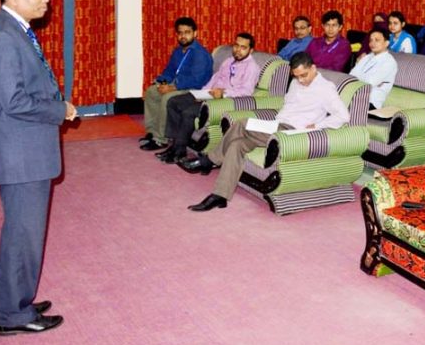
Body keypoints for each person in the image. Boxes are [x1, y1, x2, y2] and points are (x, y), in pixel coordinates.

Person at [0, 0, 78, 335]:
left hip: (25, 148)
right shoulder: (4, 36)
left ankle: (12, 302)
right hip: (21, 153)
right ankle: (13, 316)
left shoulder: (13, 30)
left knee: (22, 233)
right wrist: (60, 110)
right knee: (23, 234)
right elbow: (15, 100)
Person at [180, 52, 350, 211]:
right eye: (296, 76)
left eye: (304, 75)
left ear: (313, 68)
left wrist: (318, 125)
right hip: (276, 126)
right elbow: (287, 107)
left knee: (241, 124)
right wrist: (273, 122)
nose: (301, 80)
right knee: (237, 144)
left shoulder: (326, 88)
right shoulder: (296, 83)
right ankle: (220, 195)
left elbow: (343, 116)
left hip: (291, 133)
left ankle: (209, 159)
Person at [157, 32, 262, 164]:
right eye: (236, 45)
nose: (238, 50)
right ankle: (173, 145)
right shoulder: (229, 61)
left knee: (188, 112)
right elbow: (215, 78)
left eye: (243, 47)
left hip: (224, 101)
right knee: (173, 102)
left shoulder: (252, 67)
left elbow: (246, 91)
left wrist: (224, 93)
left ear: (250, 50)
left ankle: (179, 150)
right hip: (209, 94)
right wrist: (202, 93)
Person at [139, 16, 213, 150]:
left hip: (194, 89)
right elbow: (170, 71)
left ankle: (161, 139)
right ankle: (152, 131)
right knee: (152, 92)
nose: (183, 36)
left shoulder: (200, 54)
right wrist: (161, 81)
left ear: (195, 33)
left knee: (167, 98)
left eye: (187, 32)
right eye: (180, 33)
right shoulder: (178, 51)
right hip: (176, 85)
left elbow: (197, 80)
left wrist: (172, 87)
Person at [350, 29, 398, 109]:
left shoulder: (389, 62)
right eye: (371, 40)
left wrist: (359, 77)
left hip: (371, 102)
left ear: (386, 43)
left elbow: (370, 82)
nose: (372, 43)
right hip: (354, 96)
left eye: (377, 40)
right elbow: (351, 75)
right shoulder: (367, 56)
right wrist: (364, 77)